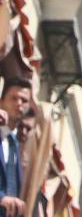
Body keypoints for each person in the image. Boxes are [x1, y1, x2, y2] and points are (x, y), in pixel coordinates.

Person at [0, 77, 30, 216]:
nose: (19, 103)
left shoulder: (17, 144)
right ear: (1, 101)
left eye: (24, 100)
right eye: (14, 98)